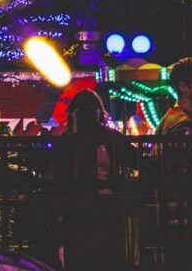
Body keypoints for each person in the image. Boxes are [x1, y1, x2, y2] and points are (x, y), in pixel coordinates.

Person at [53, 88, 137, 271]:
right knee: (83, 255)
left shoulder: (109, 137)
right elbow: (59, 176)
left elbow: (135, 159)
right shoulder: (68, 141)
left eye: (91, 108)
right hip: (80, 206)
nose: (89, 112)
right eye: (84, 109)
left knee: (103, 255)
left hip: (101, 205)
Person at [153, 56, 192, 268]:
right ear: (183, 87)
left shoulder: (176, 118)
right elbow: (182, 171)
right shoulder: (182, 124)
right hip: (186, 224)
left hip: (183, 224)